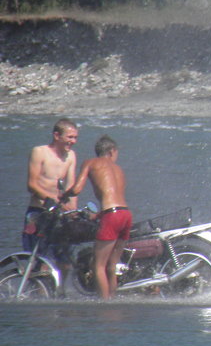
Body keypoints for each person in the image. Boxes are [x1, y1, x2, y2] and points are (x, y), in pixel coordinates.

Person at [61, 136, 132, 299]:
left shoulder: (90, 163)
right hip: (126, 214)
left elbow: (77, 189)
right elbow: (117, 198)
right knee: (112, 266)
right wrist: (99, 215)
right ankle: (113, 302)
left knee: (97, 265)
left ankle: (104, 305)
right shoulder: (119, 169)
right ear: (112, 151)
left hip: (111, 216)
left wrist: (64, 195)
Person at [25, 118, 79, 262]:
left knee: (65, 259)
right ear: (56, 136)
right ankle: (33, 283)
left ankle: (59, 284)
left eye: (75, 138)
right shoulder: (39, 152)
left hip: (59, 213)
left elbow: (70, 187)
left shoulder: (71, 156)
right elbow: (31, 185)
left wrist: (72, 209)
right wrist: (53, 200)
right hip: (39, 211)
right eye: (70, 137)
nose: (73, 141)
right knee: (36, 259)